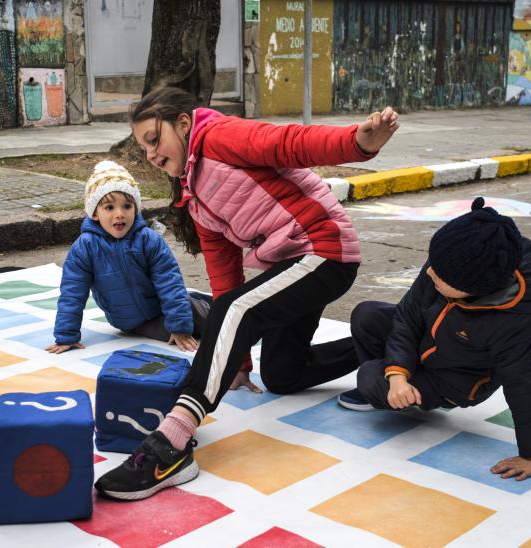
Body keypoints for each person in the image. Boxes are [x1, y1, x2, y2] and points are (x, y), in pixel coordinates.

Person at [94, 86, 399, 500]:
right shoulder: (194, 195)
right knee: (281, 375)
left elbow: (288, 143)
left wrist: (358, 142)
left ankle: (172, 444)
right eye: (143, 147)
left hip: (323, 250)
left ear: (183, 125)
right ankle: (388, 337)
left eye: (154, 139)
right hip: (290, 264)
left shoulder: (219, 138)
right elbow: (224, 275)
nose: (150, 153)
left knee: (234, 310)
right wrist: (237, 361)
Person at [338, 197, 531, 481]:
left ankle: (392, 390)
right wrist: (398, 374)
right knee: (368, 314)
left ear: (472, 288)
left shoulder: (510, 321)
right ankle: (394, 390)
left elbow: (522, 383)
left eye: (437, 273)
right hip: (427, 344)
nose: (429, 272)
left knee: (369, 377)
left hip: (454, 380)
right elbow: (407, 316)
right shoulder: (450, 259)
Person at [47, 160, 209, 355]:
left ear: (136, 208)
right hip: (130, 322)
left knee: (203, 322)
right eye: (109, 208)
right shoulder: (84, 248)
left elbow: (169, 282)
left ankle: (213, 308)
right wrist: (66, 336)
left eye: (127, 206)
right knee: (172, 336)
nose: (120, 214)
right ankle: (193, 312)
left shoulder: (148, 240)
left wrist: (180, 326)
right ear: (95, 213)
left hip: (159, 306)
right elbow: (72, 293)